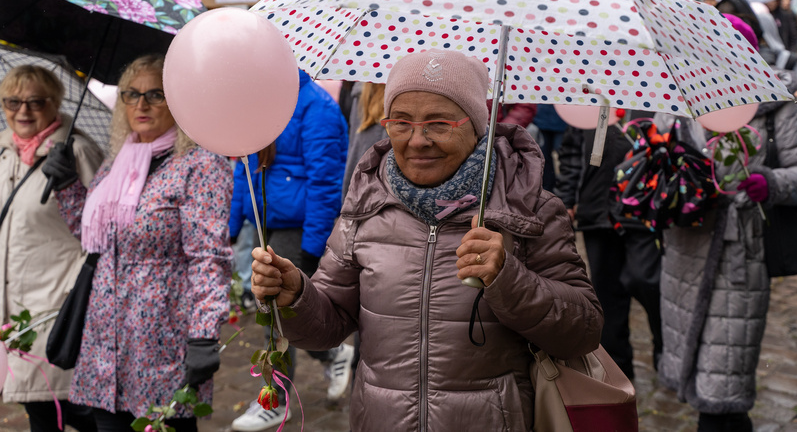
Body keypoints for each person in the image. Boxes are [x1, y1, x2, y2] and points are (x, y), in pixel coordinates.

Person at [250, 49, 603, 431]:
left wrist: (509, 279)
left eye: (438, 123)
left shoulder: (528, 209)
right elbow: (327, 326)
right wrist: (295, 296)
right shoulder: (367, 205)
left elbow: (583, 331)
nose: (417, 140)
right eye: (401, 122)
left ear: (476, 125)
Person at [659, 17, 797, 432]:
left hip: (741, 253)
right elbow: (665, 151)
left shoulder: (778, 101)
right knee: (696, 377)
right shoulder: (681, 97)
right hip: (685, 248)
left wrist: (770, 181)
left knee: (723, 389)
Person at [67, 55, 233, 431]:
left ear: (178, 100)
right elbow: (94, 238)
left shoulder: (201, 164)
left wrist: (204, 333)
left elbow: (209, 257)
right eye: (132, 94)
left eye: (156, 94)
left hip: (160, 339)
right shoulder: (117, 163)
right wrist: (68, 188)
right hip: (104, 338)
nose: (141, 105)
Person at [230, 68, 350, 432]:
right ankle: (332, 352)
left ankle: (274, 397)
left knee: (280, 315)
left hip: (296, 230)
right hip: (265, 221)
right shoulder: (259, 103)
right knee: (287, 315)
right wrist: (233, 223)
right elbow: (244, 168)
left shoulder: (317, 108)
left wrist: (312, 247)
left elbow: (325, 182)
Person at [0, 65, 103, 432]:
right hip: (15, 311)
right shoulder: (4, 153)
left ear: (55, 103)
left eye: (35, 102)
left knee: (74, 408)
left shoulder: (78, 151)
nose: (22, 111)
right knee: (40, 409)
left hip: (58, 307)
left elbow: (101, 231)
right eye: (13, 101)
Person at [555, 122, 663, 381]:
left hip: (644, 211)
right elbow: (571, 154)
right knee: (606, 295)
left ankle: (666, 350)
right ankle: (619, 370)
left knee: (646, 281)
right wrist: (567, 199)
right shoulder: (589, 96)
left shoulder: (656, 92)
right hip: (597, 210)